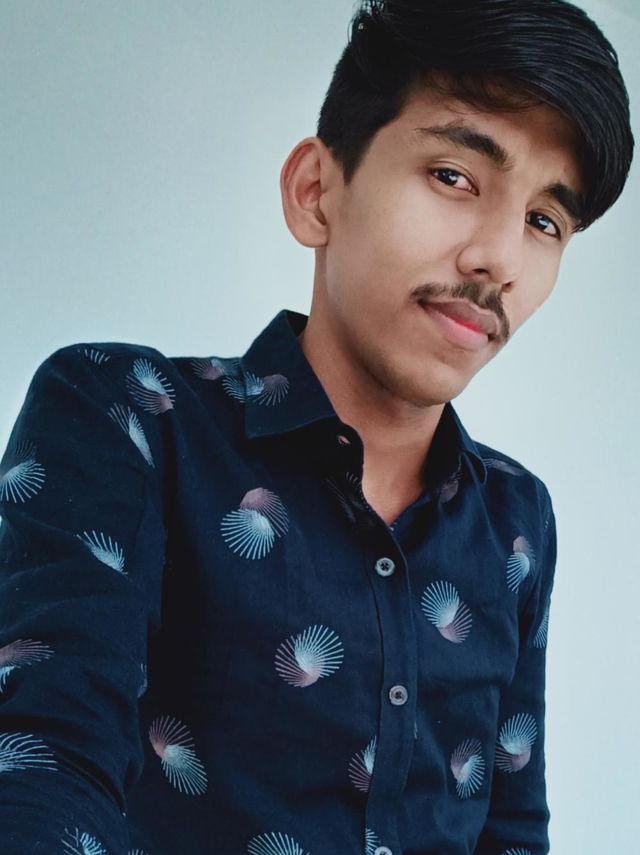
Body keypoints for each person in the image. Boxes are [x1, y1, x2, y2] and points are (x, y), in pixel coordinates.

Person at [0, 1, 633, 853]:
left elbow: (511, 829)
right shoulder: (129, 417)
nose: (500, 258)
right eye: (454, 176)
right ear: (315, 192)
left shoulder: (518, 520)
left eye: (544, 221)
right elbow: (39, 759)